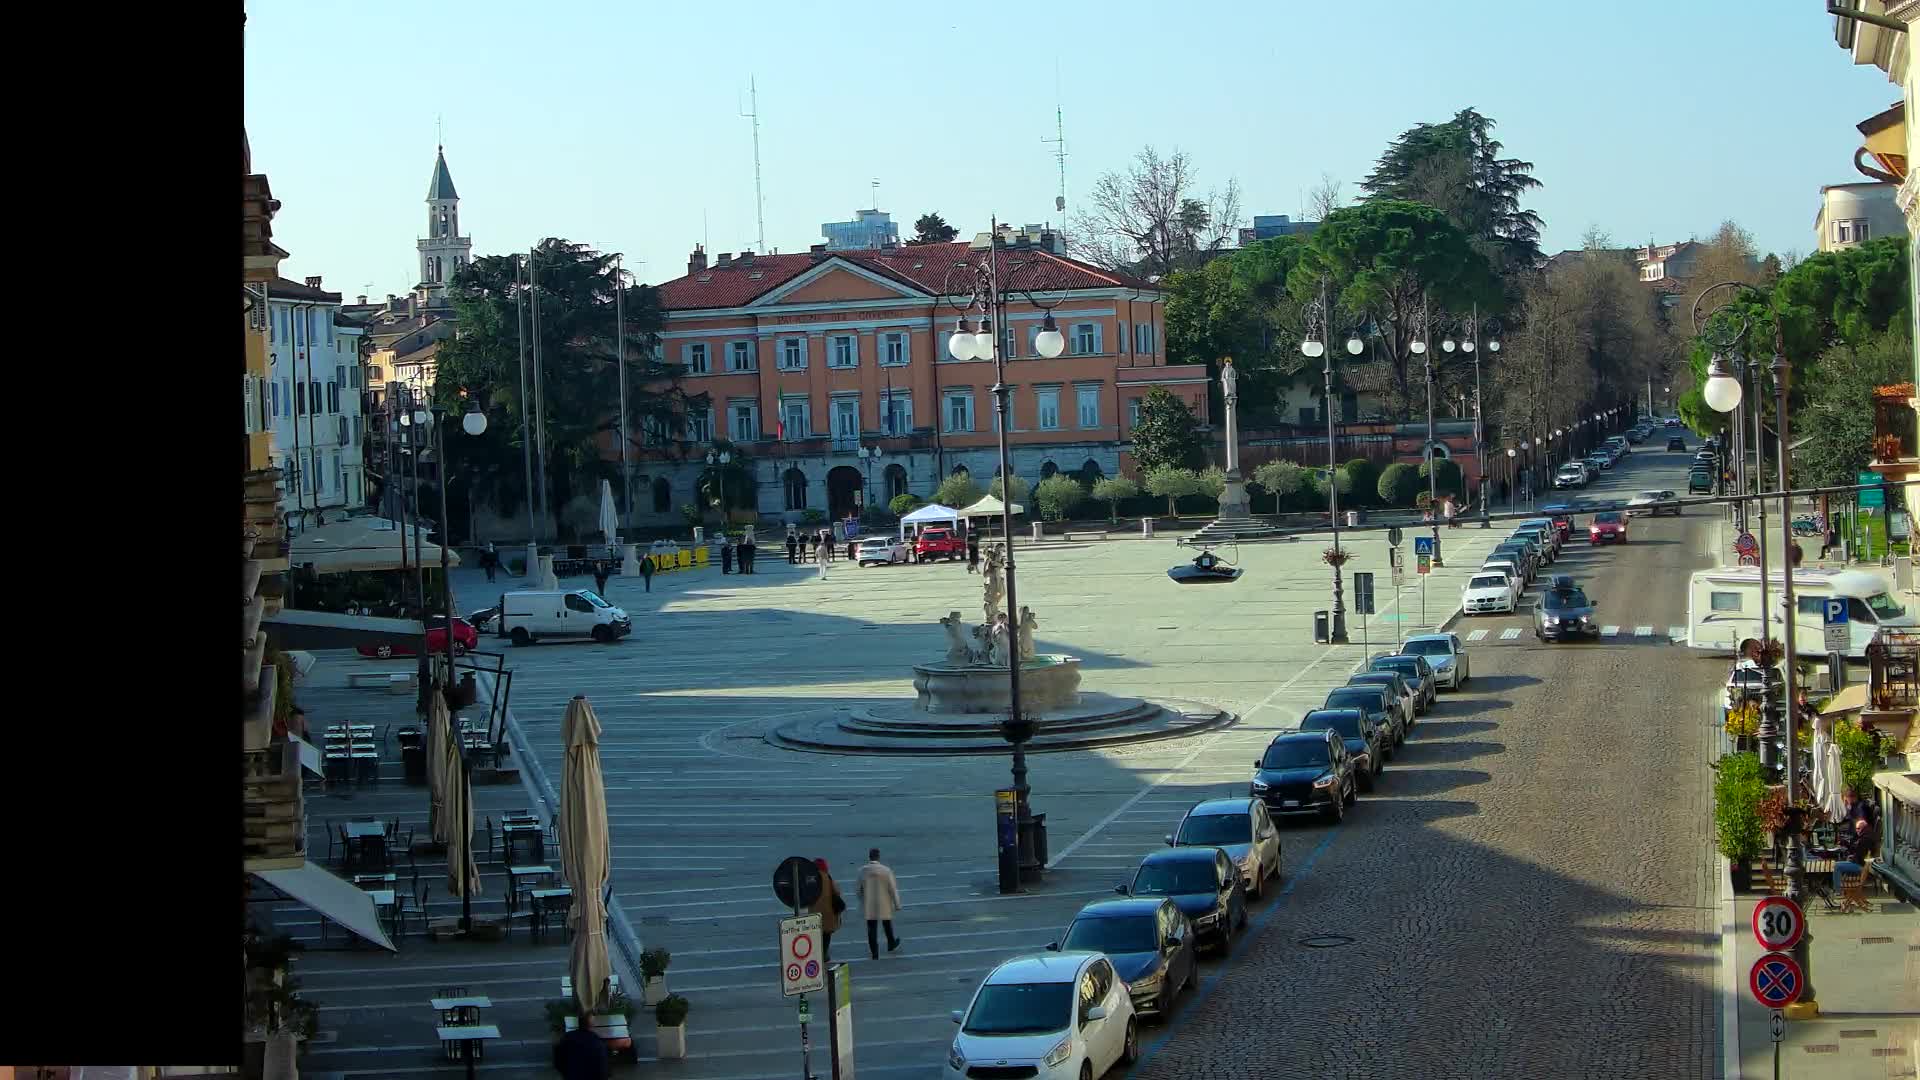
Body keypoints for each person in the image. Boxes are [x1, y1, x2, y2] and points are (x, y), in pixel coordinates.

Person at [857, 848, 903, 959]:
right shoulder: (886, 870)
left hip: (869, 903)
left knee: (871, 928)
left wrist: (862, 900)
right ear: (878, 857)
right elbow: (892, 888)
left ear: (869, 857)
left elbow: (858, 889)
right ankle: (891, 943)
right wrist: (897, 904)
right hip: (884, 902)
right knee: (887, 923)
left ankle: (874, 952)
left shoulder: (862, 871)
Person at [553, 1010, 610, 1080]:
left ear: (579, 1023)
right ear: (593, 1025)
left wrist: (566, 1074)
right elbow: (602, 1070)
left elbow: (558, 1061)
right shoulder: (598, 1043)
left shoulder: (567, 1038)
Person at [808, 857, 846, 962]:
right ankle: (824, 954)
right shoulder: (827, 877)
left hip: (814, 911)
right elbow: (836, 891)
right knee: (826, 934)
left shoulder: (811, 878)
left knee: (816, 933)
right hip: (827, 911)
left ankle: (815, 954)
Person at [1832, 814, 1876, 892]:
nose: (1857, 831)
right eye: (1856, 829)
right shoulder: (1867, 836)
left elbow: (1856, 851)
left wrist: (1847, 846)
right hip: (1861, 864)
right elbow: (1857, 851)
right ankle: (1843, 889)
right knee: (1843, 861)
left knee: (1836, 866)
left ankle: (1838, 891)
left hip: (1860, 866)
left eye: (1859, 829)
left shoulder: (1865, 839)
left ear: (1863, 828)